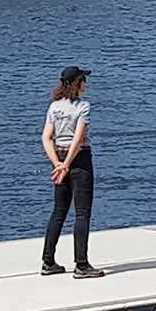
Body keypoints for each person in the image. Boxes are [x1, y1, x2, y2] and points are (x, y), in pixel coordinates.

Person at [41, 66, 103, 279]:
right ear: (77, 84)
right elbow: (78, 139)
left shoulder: (54, 107)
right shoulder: (83, 107)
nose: (86, 84)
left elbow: (46, 137)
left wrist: (57, 163)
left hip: (58, 156)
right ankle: (82, 264)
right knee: (82, 213)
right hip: (79, 160)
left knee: (59, 211)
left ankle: (48, 261)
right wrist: (67, 164)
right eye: (83, 80)